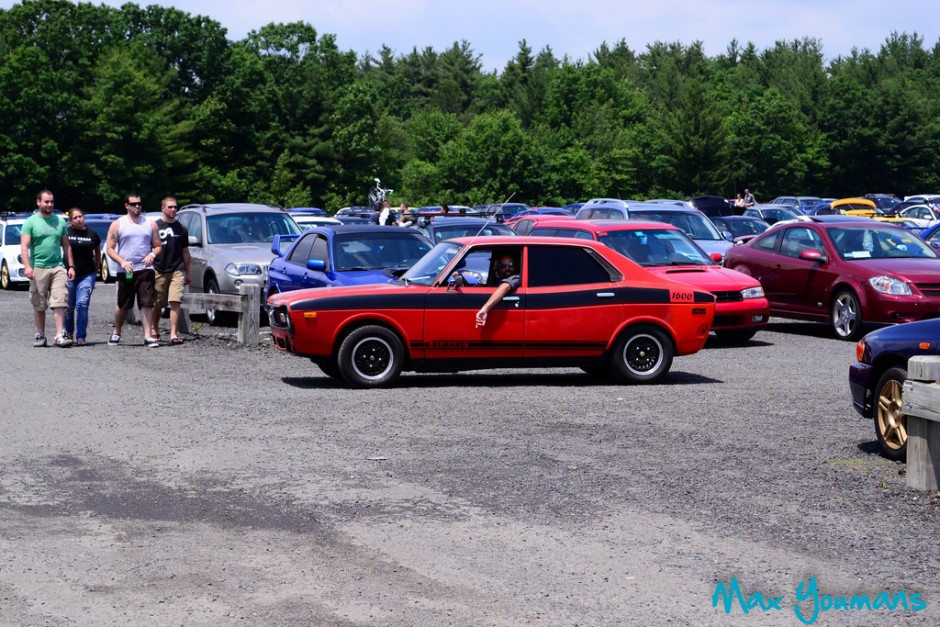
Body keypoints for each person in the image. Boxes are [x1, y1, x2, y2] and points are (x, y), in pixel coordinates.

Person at [106, 193, 162, 347]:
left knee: (146, 302)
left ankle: (148, 336)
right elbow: (109, 249)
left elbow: (158, 245)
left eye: (139, 204)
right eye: (133, 204)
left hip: (145, 269)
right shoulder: (118, 224)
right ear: (126, 206)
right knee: (123, 304)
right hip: (126, 270)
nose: (137, 207)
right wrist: (122, 262)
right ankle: (116, 332)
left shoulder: (150, 224)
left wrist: (152, 254)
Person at [21, 190, 73, 347]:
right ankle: (41, 335)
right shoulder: (30, 222)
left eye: (51, 202)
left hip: (57, 266)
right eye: (46, 202)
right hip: (38, 267)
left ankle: (59, 334)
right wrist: (28, 266)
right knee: (39, 304)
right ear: (38, 202)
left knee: (60, 300)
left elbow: (66, 245)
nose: (49, 204)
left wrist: (70, 266)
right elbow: (25, 246)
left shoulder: (60, 222)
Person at [151, 197, 191, 345]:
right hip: (159, 268)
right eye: (170, 207)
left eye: (175, 207)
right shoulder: (155, 226)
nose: (173, 209)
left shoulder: (182, 228)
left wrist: (188, 272)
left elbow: (186, 252)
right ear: (163, 208)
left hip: (177, 268)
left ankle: (174, 334)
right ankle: (154, 329)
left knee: (175, 301)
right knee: (157, 303)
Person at [64, 207, 101, 346]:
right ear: (70, 220)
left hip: (87, 273)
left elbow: (98, 251)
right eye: (75, 217)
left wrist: (96, 269)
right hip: (70, 274)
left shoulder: (92, 234)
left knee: (82, 304)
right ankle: (68, 333)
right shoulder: (67, 232)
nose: (79, 219)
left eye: (81, 216)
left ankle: (81, 336)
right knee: (69, 306)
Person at [475, 252, 521, 328]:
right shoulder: (498, 280)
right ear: (499, 268)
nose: (507, 268)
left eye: (510, 265)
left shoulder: (517, 278)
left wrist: (485, 309)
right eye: (503, 266)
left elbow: (506, 286)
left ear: (515, 266)